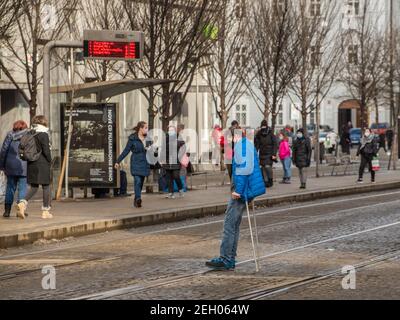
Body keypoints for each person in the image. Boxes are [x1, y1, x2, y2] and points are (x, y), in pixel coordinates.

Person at [206, 129, 266, 271]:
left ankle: (226, 259)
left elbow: (243, 170)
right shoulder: (248, 145)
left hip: (241, 191)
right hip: (247, 189)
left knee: (229, 225)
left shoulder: (241, 147)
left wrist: (238, 191)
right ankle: (230, 258)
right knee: (234, 225)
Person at [18, 115, 52, 219]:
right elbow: (46, 151)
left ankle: (22, 204)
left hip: (31, 163)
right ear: (43, 122)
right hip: (42, 164)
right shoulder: (43, 134)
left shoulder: (30, 132)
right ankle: (45, 211)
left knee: (34, 187)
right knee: (46, 186)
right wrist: (50, 160)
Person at [115, 121, 150, 208]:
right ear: (141, 129)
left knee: (141, 182)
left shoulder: (148, 139)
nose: (147, 129)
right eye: (145, 128)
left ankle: (136, 199)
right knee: (137, 181)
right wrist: (118, 161)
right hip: (135, 162)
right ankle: (138, 198)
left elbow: (154, 153)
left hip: (145, 163)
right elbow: (126, 151)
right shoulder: (132, 138)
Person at [0, 120, 28, 218]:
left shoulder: (10, 135)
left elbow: (3, 150)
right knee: (22, 188)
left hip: (10, 165)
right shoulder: (28, 135)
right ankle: (21, 209)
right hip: (23, 165)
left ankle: (7, 211)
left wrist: (2, 165)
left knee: (10, 188)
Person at [162, 125, 186, 199]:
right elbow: (162, 149)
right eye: (169, 130)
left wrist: (179, 156)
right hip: (167, 161)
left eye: (172, 130)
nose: (171, 132)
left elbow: (183, 146)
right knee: (168, 178)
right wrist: (161, 159)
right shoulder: (165, 139)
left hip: (176, 161)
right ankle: (170, 193)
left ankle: (180, 189)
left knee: (176, 176)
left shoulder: (178, 137)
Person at [254, 120, 278, 188]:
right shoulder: (259, 133)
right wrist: (255, 151)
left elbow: (275, 144)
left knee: (268, 167)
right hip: (262, 153)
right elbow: (257, 144)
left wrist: (274, 154)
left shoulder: (271, 133)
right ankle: (265, 181)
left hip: (269, 153)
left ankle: (270, 180)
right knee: (263, 168)